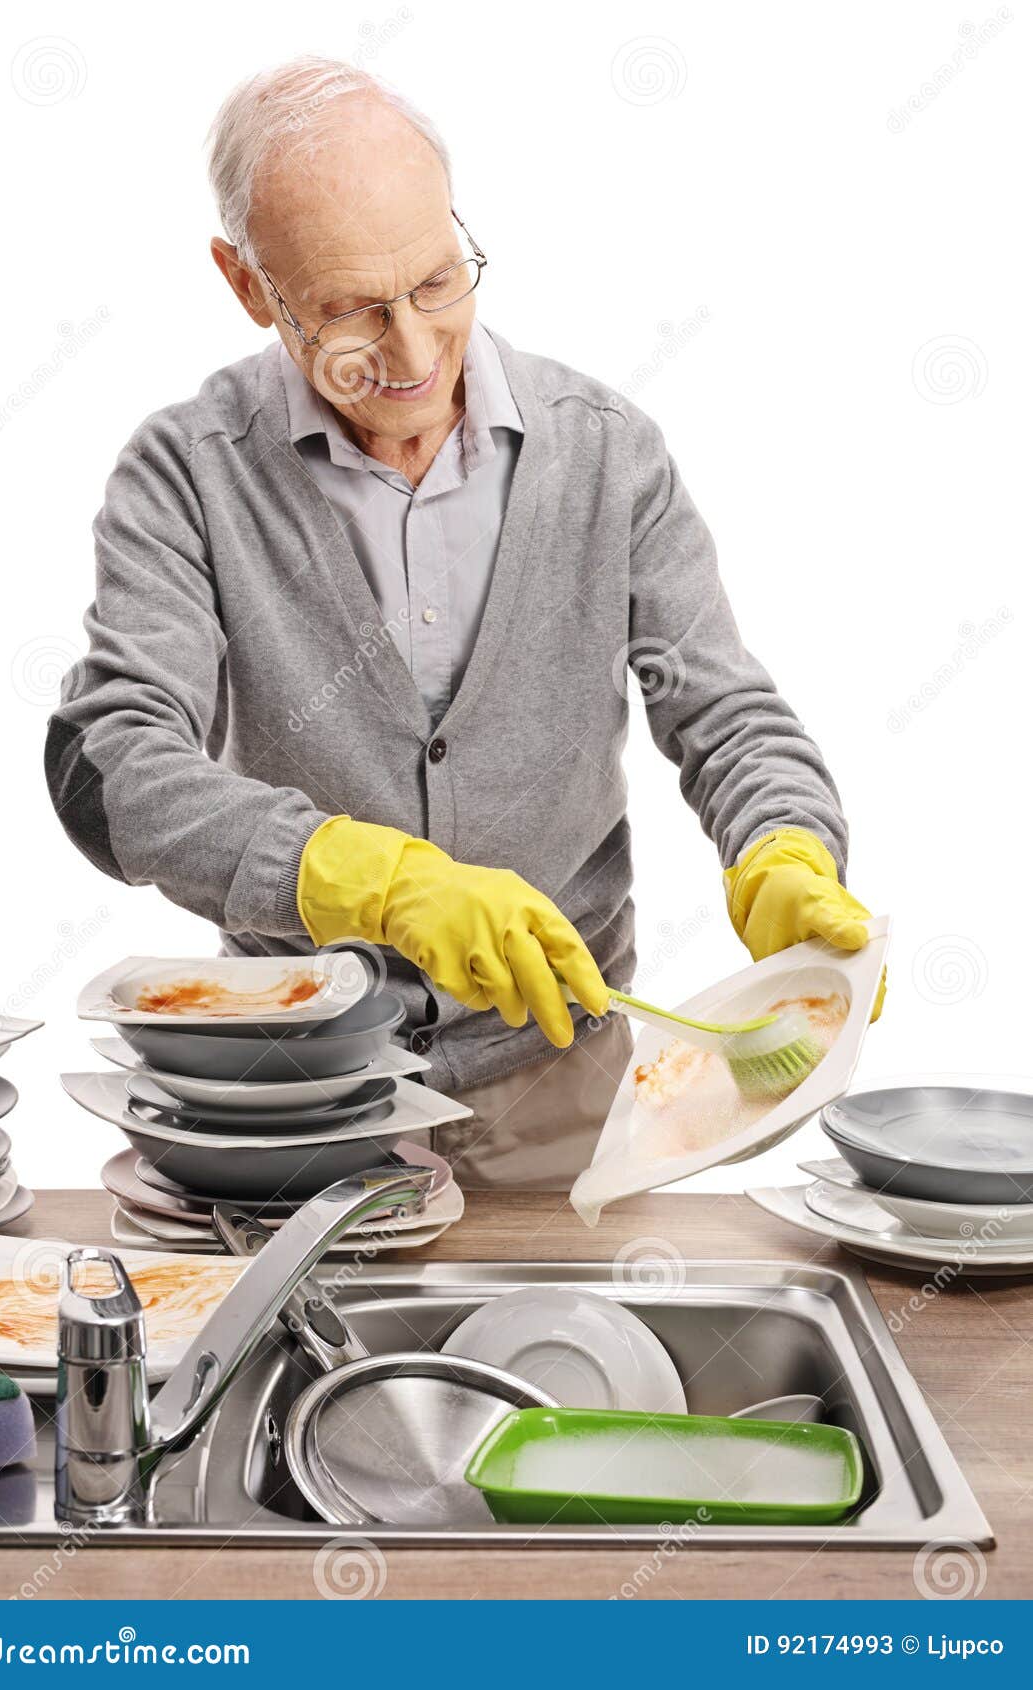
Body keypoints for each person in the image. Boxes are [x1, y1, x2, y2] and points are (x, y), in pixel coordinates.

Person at [46, 57, 881, 1189]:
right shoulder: (184, 476)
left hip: (562, 1098)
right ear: (247, 285)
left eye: (439, 281)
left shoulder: (605, 451)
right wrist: (366, 878)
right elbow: (117, 775)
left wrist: (782, 849)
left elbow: (724, 714)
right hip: (294, 1104)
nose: (413, 351)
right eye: (347, 310)